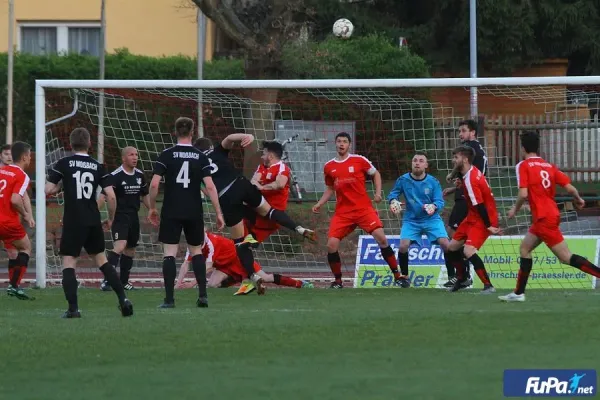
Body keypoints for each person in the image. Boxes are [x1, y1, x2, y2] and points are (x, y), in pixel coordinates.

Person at [193, 134, 315, 295]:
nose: (262, 155)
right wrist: (247, 136)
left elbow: (209, 190)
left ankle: (251, 276)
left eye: (264, 153)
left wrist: (218, 211)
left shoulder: (196, 165)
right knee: (263, 216)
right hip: (244, 187)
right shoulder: (219, 152)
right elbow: (229, 138)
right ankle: (298, 229)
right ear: (209, 147)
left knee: (240, 243)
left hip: (229, 199)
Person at [499, 131, 600, 302]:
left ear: (523, 148)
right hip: (549, 215)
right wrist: (579, 199)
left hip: (544, 218)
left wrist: (514, 210)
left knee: (565, 257)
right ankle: (518, 293)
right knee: (525, 249)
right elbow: (569, 188)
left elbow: (523, 194)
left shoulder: (524, 166)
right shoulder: (548, 166)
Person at [45, 128, 133, 318]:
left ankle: (73, 309)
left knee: (69, 262)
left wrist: (61, 185)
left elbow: (48, 188)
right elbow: (110, 195)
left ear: (70, 144)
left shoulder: (64, 163)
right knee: (102, 260)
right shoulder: (97, 165)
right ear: (89, 144)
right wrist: (110, 218)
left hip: (73, 220)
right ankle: (123, 300)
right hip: (92, 218)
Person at [148, 117, 224, 308]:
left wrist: (152, 207)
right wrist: (218, 212)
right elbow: (210, 186)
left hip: (171, 209)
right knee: (196, 251)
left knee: (170, 253)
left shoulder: (166, 155)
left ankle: (169, 299)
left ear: (175, 132)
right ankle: (203, 297)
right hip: (193, 209)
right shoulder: (201, 157)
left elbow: (155, 183)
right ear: (192, 133)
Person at [312, 132, 402, 289]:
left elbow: (376, 174)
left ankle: (398, 276)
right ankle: (338, 281)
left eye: (344, 141)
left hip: (363, 209)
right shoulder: (329, 166)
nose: (341, 144)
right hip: (343, 213)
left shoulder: (359, 160)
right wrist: (319, 204)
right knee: (331, 245)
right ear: (335, 144)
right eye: (339, 141)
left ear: (349, 145)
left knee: (382, 238)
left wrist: (378, 193)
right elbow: (330, 188)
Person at [175, 231, 314, 292]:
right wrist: (178, 285)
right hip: (223, 266)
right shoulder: (193, 243)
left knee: (265, 278)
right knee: (212, 284)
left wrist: (192, 283)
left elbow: (208, 267)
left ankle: (299, 283)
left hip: (239, 259)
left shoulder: (211, 243)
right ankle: (244, 281)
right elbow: (185, 264)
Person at [387, 153, 449, 287]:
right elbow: (393, 194)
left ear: (426, 165)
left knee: (445, 243)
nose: (417, 163)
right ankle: (404, 277)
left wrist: (434, 206)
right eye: (415, 160)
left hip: (431, 219)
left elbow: (439, 200)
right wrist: (393, 201)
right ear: (412, 164)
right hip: (411, 220)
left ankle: (453, 276)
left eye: (421, 161)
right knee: (403, 246)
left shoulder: (433, 182)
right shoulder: (403, 180)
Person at [445, 145, 500, 293]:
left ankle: (488, 285)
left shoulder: (471, 179)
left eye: (456, 157)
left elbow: (480, 205)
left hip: (484, 219)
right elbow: (460, 174)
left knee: (468, 251)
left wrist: (488, 225)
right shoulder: (468, 172)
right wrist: (453, 184)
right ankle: (462, 279)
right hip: (472, 216)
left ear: (465, 159)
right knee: (451, 248)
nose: (453, 160)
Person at [442, 119, 488, 287]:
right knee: (454, 235)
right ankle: (462, 274)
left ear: (473, 133)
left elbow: (477, 177)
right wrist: (453, 189)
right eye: (459, 131)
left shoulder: (474, 150)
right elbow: (467, 177)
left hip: (468, 200)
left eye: (463, 131)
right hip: (463, 196)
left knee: (453, 235)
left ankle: (463, 273)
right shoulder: (472, 150)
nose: (460, 134)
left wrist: (453, 177)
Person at [98, 146, 150, 291]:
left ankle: (124, 281)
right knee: (120, 246)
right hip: (119, 216)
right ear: (123, 158)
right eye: (131, 155)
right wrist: (96, 212)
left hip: (134, 216)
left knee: (130, 250)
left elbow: (145, 195)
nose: (135, 157)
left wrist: (152, 209)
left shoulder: (140, 175)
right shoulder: (115, 176)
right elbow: (103, 196)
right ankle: (107, 280)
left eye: (136, 154)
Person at [0, 142, 35, 300]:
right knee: (26, 248)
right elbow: (15, 200)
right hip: (8, 221)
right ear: (24, 157)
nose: (30, 159)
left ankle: (13, 286)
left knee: (13, 252)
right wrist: (26, 215)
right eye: (29, 156)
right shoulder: (22, 175)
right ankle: (14, 286)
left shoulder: (2, 171)